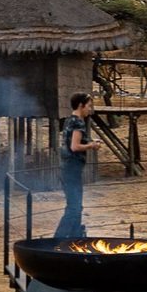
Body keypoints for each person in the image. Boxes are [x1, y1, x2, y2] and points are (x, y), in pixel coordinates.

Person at [56, 92, 102, 238]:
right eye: (89, 106)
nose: (90, 109)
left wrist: (89, 142)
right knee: (74, 207)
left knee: (76, 206)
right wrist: (91, 146)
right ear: (81, 105)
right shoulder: (78, 123)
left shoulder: (69, 120)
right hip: (72, 168)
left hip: (67, 167)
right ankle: (58, 239)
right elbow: (75, 147)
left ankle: (74, 237)